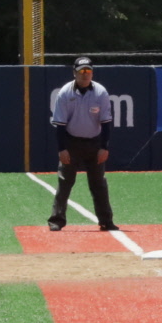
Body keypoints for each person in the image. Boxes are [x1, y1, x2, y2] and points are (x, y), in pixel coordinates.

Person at [46, 57, 119, 231]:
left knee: (98, 183)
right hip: (72, 142)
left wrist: (104, 147)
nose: (85, 74)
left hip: (94, 143)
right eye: (81, 71)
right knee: (65, 182)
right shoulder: (65, 93)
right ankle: (56, 220)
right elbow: (60, 125)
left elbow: (106, 123)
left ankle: (106, 221)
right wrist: (62, 149)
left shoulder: (100, 92)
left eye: (88, 71)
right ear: (74, 73)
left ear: (92, 73)